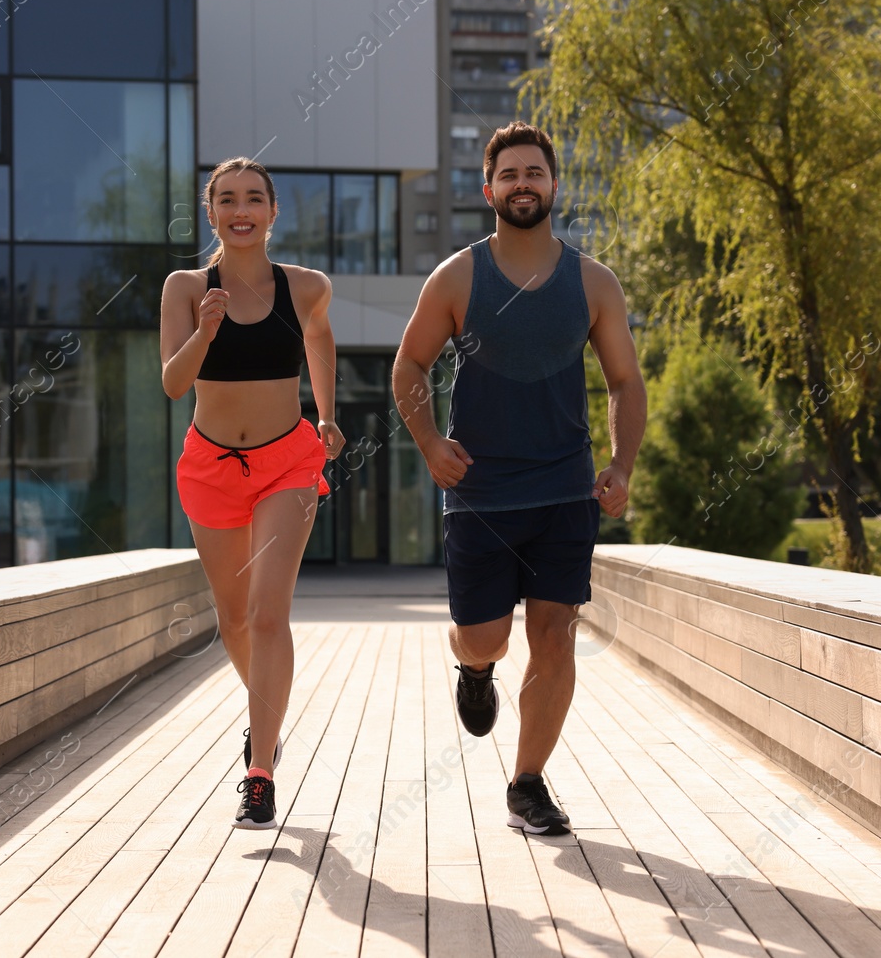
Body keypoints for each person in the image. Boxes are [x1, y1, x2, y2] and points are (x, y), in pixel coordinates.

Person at [391, 122, 646, 835]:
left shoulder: (593, 281)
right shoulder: (458, 276)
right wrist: (430, 441)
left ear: (554, 184)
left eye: (535, 172)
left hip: (565, 490)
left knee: (556, 634)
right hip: (480, 495)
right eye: (510, 175)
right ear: (488, 189)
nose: (523, 183)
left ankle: (527, 783)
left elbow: (625, 380)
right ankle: (473, 669)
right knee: (485, 637)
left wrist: (621, 464)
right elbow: (408, 367)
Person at [160, 156, 345, 829]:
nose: (241, 209)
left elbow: (321, 339)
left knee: (269, 614)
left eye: (254, 199)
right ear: (212, 214)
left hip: (287, 463)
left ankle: (259, 771)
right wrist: (206, 331)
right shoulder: (184, 287)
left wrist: (325, 415)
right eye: (227, 199)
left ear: (272, 213)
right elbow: (174, 384)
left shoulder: (306, 287)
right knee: (234, 620)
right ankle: (264, 719)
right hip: (210, 464)